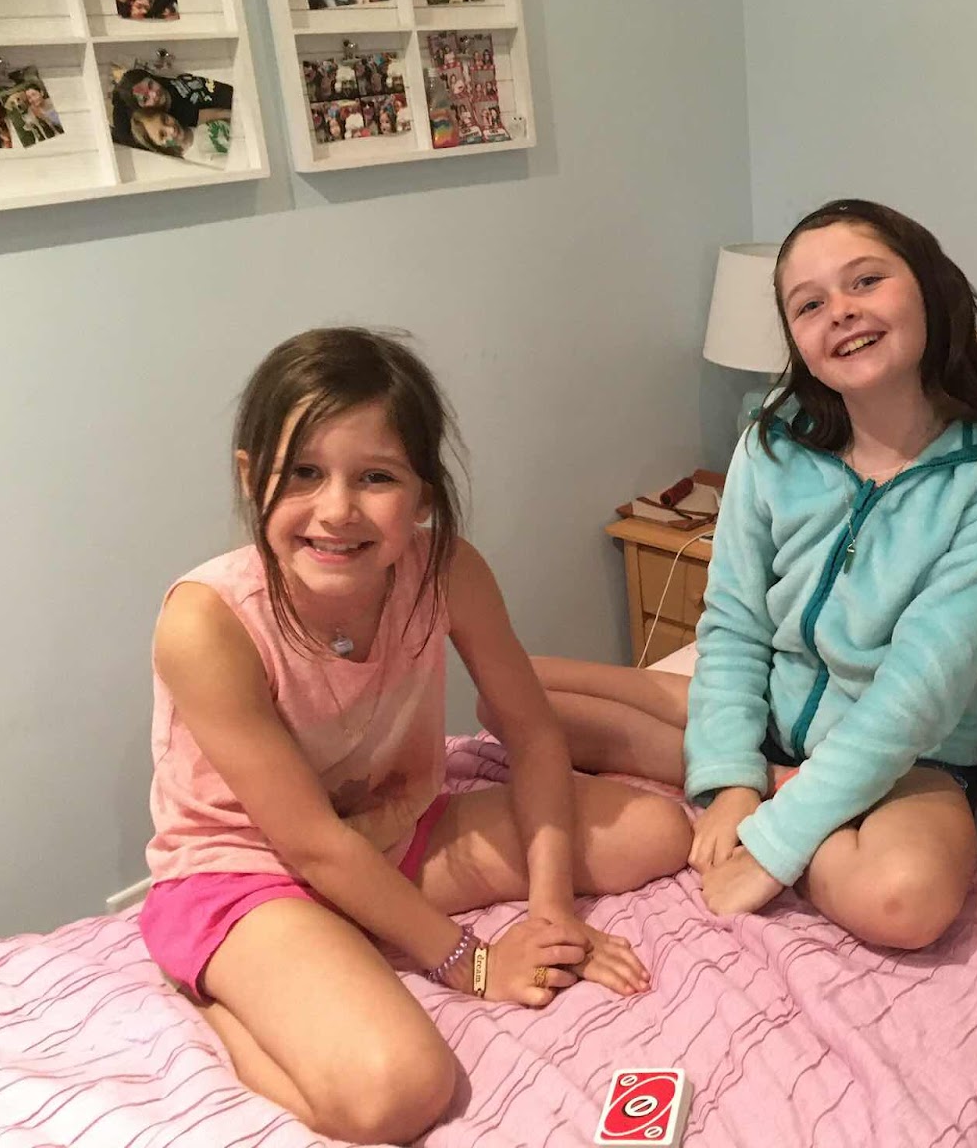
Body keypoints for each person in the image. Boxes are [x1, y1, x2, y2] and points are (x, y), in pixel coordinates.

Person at [137, 329, 691, 1144]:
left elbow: (534, 734)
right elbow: (312, 844)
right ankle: (221, 998)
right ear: (252, 479)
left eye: (376, 477)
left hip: (398, 832)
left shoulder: (447, 569)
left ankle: (348, 932)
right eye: (303, 473)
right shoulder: (206, 623)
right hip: (250, 868)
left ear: (423, 495)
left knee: (657, 830)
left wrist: (551, 912)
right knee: (401, 1091)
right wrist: (473, 962)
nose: (337, 510)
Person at [513, 199, 977, 950]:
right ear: (797, 338)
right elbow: (735, 621)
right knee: (516, 695)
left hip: (910, 754)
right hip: (779, 707)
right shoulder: (773, 440)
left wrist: (775, 841)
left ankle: (782, 785)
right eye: (809, 304)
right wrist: (735, 779)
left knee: (904, 903)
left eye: (866, 281)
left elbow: (920, 689)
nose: (842, 311)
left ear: (931, 288)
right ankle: (758, 771)